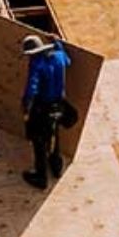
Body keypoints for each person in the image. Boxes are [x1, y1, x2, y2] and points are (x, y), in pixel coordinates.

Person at [21, 34, 72, 190]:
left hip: (42, 107)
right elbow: (68, 61)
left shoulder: (37, 64)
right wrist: (57, 42)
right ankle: (56, 167)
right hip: (59, 105)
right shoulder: (59, 56)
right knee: (54, 134)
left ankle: (40, 176)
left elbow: (32, 88)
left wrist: (25, 106)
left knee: (39, 141)